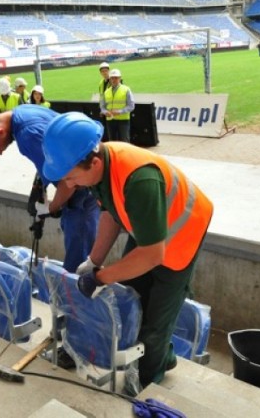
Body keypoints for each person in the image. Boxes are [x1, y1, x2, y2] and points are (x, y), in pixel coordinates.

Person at [41, 112, 213, 395]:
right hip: (149, 230)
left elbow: (152, 255)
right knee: (133, 301)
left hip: (181, 235)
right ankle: (162, 356)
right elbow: (110, 214)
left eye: (71, 178)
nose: (69, 186)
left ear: (93, 163)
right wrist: (93, 262)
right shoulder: (98, 169)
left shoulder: (139, 179)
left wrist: (102, 277)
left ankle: (147, 381)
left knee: (156, 321)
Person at [0, 105, 99, 275]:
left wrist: (51, 207)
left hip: (82, 193)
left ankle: (79, 298)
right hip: (81, 187)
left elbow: (69, 182)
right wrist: (40, 184)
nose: (1, 153)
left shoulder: (27, 136)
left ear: (0, 132)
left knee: (76, 266)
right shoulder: (22, 111)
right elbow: (51, 159)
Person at [100, 69, 135, 143]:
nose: (114, 80)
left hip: (123, 120)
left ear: (120, 78)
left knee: (125, 142)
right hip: (110, 121)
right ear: (109, 79)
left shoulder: (126, 89)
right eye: (112, 78)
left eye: (116, 78)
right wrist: (105, 112)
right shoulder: (106, 92)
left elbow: (131, 106)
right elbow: (102, 107)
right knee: (112, 143)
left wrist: (120, 112)